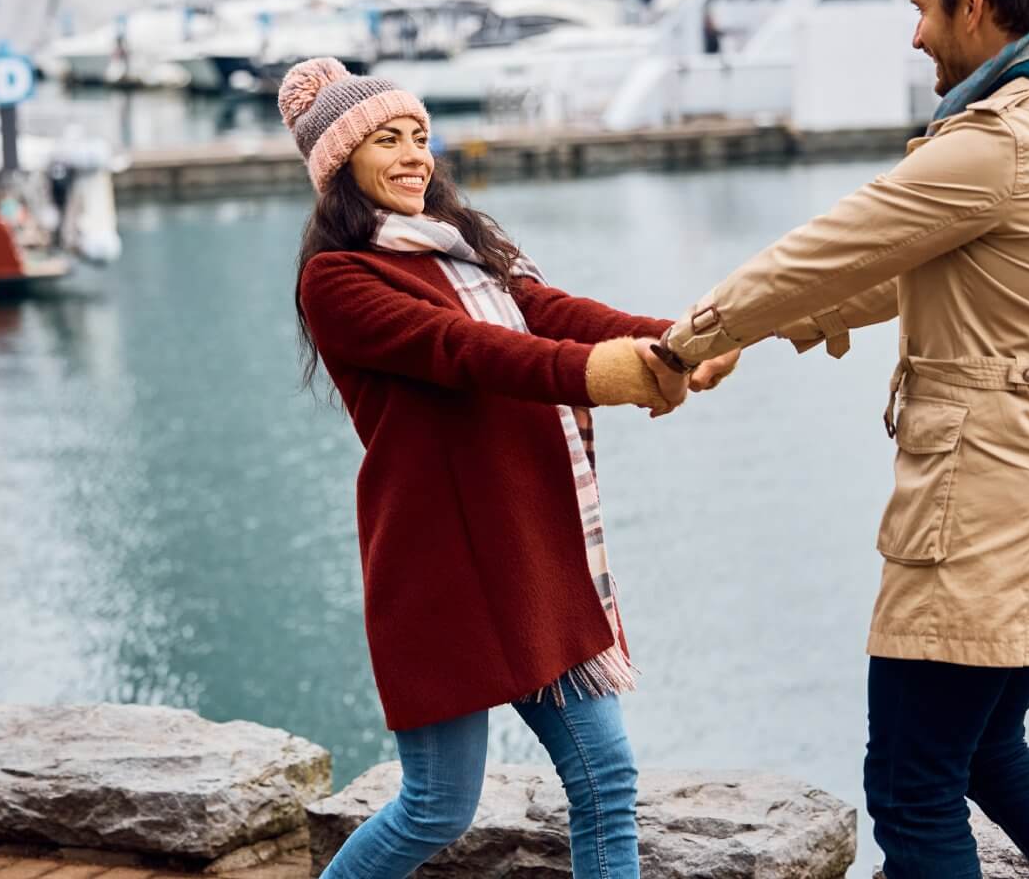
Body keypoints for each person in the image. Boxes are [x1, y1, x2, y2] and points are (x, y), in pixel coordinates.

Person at [655, 0, 1029, 878]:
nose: (915, 35)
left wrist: (685, 338)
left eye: (921, 8)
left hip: (985, 505)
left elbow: (829, 246)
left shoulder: (997, 141)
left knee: (912, 787)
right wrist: (788, 326)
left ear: (972, 5)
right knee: (988, 755)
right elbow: (912, 264)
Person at [288, 56, 732, 878]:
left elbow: (553, 312)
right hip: (442, 570)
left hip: (527, 548)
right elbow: (469, 352)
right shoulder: (338, 280)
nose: (415, 154)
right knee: (435, 807)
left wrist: (686, 336)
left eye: (421, 136)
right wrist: (608, 373)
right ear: (340, 165)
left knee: (607, 780)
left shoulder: (463, 249)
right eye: (387, 140)